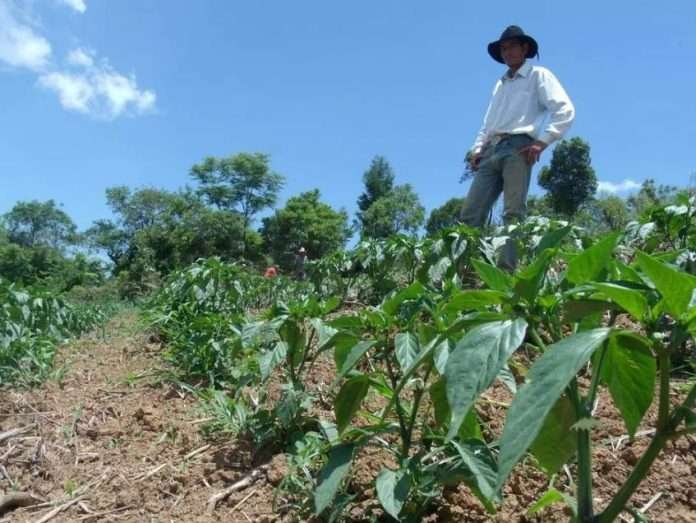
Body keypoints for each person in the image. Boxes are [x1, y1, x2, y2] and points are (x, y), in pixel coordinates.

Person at [461, 25, 575, 270]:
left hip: (519, 147)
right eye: (503, 48)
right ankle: (463, 274)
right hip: (492, 149)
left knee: (512, 213)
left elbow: (564, 110)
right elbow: (488, 123)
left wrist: (542, 142)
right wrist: (477, 149)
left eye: (513, 46)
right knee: (470, 214)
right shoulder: (500, 85)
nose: (507, 51)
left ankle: (505, 273)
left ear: (525, 48)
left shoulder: (538, 75)